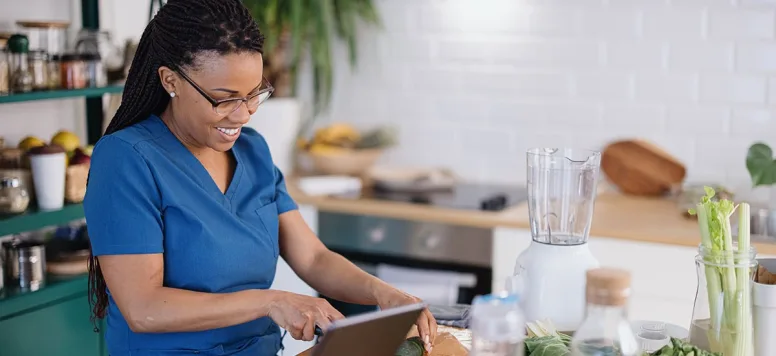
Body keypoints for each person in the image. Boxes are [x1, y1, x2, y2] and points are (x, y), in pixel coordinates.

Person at [82, 0, 437, 355]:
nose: (244, 114)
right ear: (170, 80)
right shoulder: (126, 158)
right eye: (224, 99)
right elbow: (143, 308)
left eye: (254, 94)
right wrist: (271, 302)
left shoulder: (253, 151)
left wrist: (382, 292)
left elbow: (312, 258)